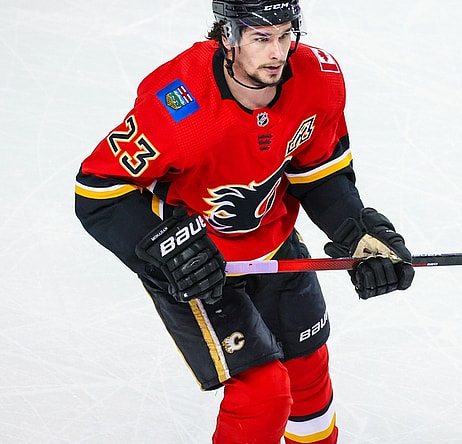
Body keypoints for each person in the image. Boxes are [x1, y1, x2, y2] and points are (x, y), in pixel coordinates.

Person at [74, 1, 414, 442]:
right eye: (260, 37)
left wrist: (357, 231)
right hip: (196, 264)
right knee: (264, 394)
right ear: (228, 37)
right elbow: (99, 193)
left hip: (271, 241)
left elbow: (320, 175)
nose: (277, 52)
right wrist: (168, 252)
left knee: (307, 374)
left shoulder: (318, 81)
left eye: (285, 34)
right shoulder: (178, 102)